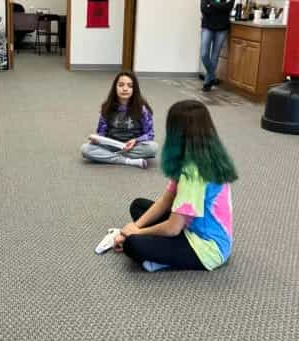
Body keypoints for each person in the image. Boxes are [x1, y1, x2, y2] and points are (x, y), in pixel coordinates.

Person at [113, 100, 238, 272]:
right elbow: (167, 200)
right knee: (138, 206)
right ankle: (159, 249)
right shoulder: (198, 155)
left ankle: (164, 261)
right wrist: (136, 226)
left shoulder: (193, 173)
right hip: (190, 227)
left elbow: (172, 228)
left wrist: (135, 233)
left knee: (132, 245)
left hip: (207, 249)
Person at [80, 71, 158, 169]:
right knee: (85, 149)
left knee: (153, 148)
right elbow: (102, 132)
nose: (125, 89)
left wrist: (136, 140)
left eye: (129, 86)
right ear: (115, 88)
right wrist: (97, 140)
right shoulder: (107, 107)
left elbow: (150, 134)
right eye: (121, 85)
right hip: (112, 144)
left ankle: (108, 156)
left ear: (134, 89)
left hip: (133, 146)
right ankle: (129, 161)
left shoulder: (142, 109)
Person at [200, 0, 234, 92]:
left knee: (215, 56)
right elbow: (204, 9)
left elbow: (228, 8)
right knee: (204, 54)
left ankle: (207, 83)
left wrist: (211, 3)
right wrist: (220, 7)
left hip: (222, 28)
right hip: (207, 26)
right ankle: (213, 76)